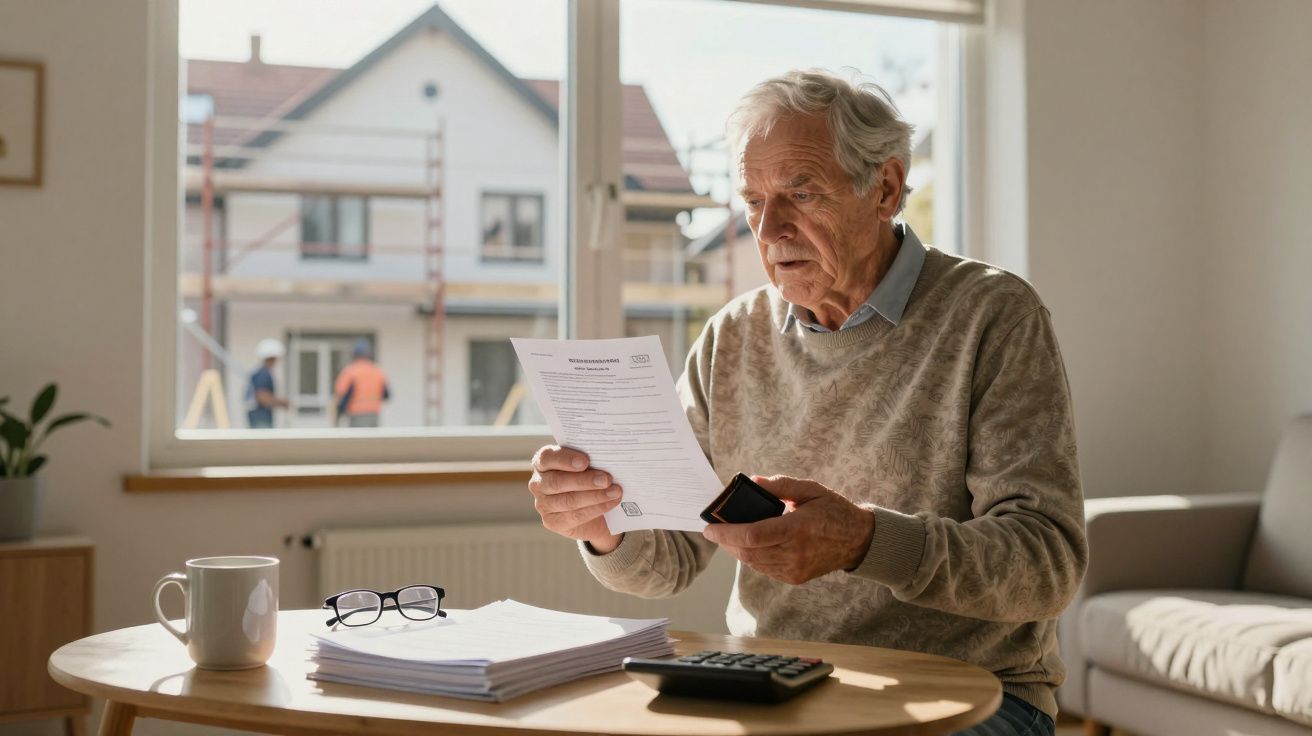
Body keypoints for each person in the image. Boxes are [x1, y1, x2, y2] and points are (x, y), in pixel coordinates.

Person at [527, 70, 1086, 736]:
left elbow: (1045, 565)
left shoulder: (994, 315)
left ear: (885, 189)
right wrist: (602, 523)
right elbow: (669, 559)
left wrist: (865, 541)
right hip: (770, 681)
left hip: (971, 691)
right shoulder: (732, 337)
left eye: (800, 192)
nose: (768, 228)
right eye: (753, 199)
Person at [333, 339, 390, 428]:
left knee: (358, 436)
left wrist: (339, 413)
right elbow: (386, 394)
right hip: (374, 414)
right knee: (372, 437)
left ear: (354, 354)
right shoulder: (377, 371)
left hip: (357, 414)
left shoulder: (350, 371)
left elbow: (344, 395)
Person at [246, 338, 289, 429]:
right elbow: (261, 396)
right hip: (261, 418)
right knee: (262, 438)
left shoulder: (260, 372)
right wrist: (281, 403)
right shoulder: (263, 374)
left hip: (261, 417)